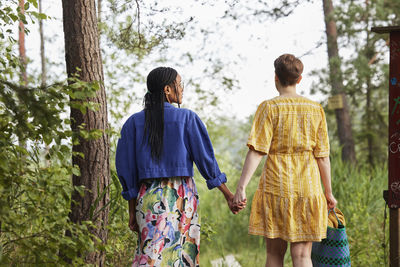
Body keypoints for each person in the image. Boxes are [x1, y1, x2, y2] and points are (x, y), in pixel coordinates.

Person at [115, 67, 244, 267]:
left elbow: (126, 170)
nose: (182, 89)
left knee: (150, 255)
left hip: (147, 196)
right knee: (182, 256)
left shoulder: (133, 123)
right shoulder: (187, 119)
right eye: (180, 84)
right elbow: (206, 161)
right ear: (168, 89)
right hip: (182, 196)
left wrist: (132, 211)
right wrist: (227, 194)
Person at [233, 54, 337, 267]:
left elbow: (257, 151)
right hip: (308, 188)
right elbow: (323, 157)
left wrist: (241, 187)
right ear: (299, 79)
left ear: (276, 78)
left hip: (276, 186)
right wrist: (328, 192)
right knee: (302, 256)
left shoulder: (268, 107)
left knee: (274, 255)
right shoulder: (315, 109)